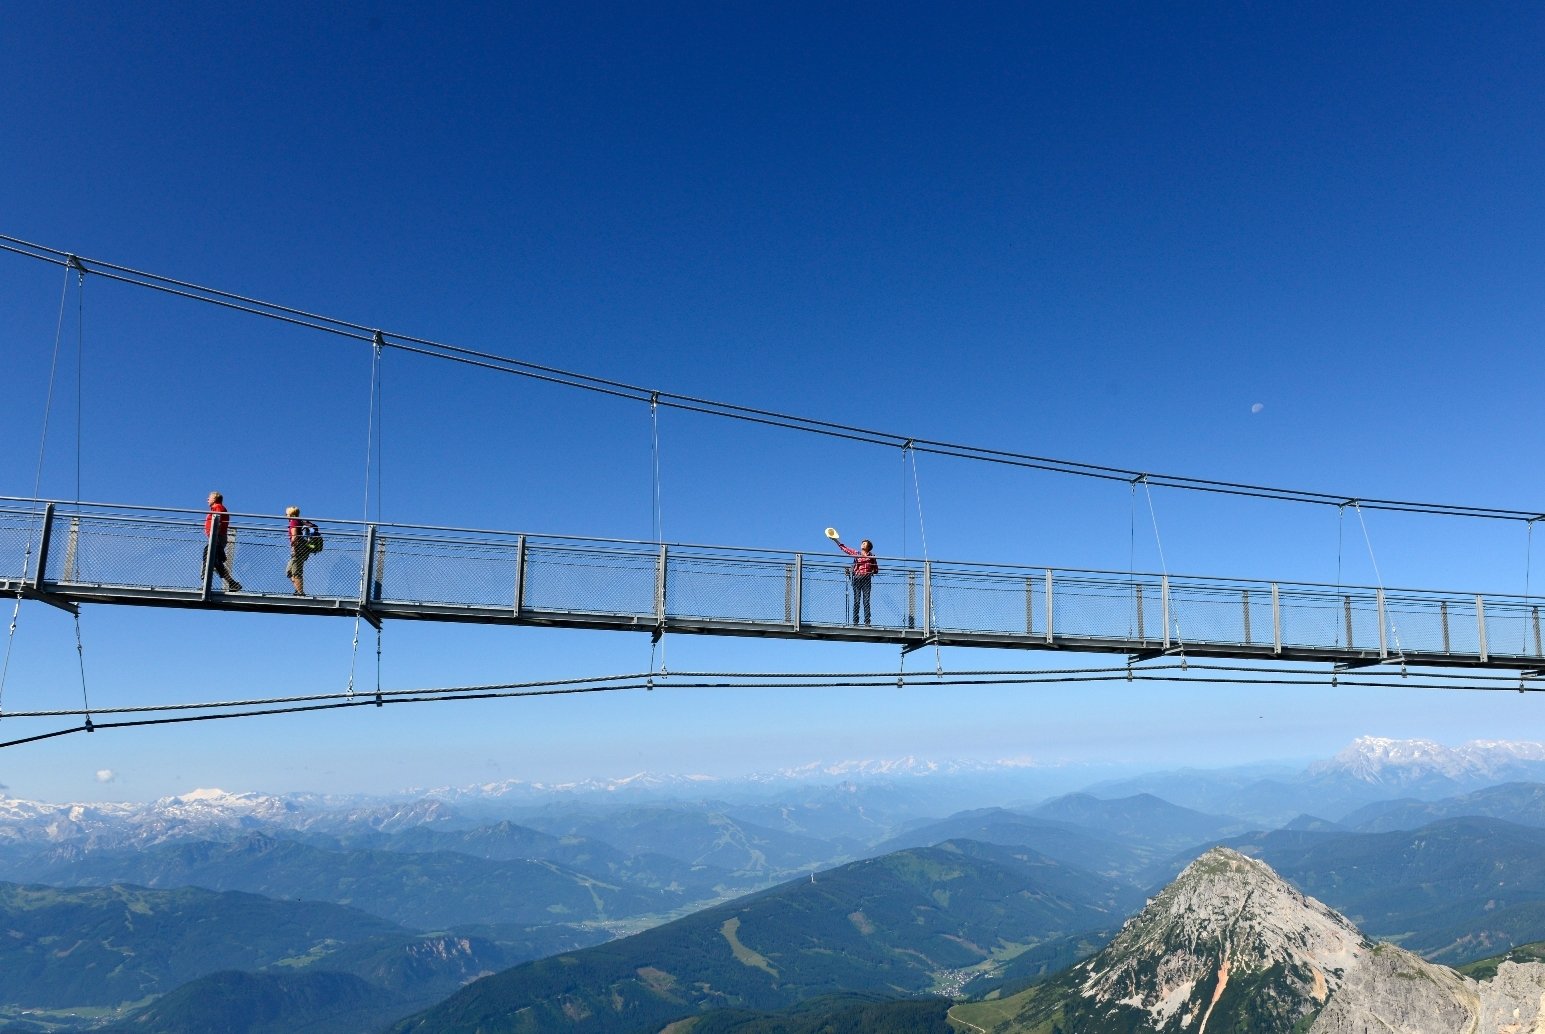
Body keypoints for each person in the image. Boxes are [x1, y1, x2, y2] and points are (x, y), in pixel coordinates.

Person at [203, 491, 242, 591]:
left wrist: (215, 540)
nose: (207, 499)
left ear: (215, 498)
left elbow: (218, 523)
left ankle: (206, 584)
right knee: (213, 561)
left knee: (209, 559)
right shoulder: (216, 508)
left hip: (216, 537)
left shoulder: (218, 507)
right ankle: (231, 583)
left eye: (209, 497)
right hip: (216, 537)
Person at [836, 538, 878, 625]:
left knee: (866, 601)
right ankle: (855, 621)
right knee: (857, 601)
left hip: (866, 579)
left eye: (864, 543)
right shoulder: (857, 553)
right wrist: (836, 540)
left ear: (868, 546)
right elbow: (846, 549)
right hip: (857, 578)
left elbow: (876, 569)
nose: (862, 544)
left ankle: (867, 622)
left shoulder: (872, 556)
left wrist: (871, 571)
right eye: (862, 543)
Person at [286, 505, 318, 595]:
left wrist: (294, 548)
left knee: (296, 571)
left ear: (290, 514)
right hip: (302, 548)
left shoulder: (293, 522)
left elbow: (295, 536)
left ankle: (300, 593)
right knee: (289, 572)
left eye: (286, 514)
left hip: (298, 549)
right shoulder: (299, 521)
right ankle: (298, 589)